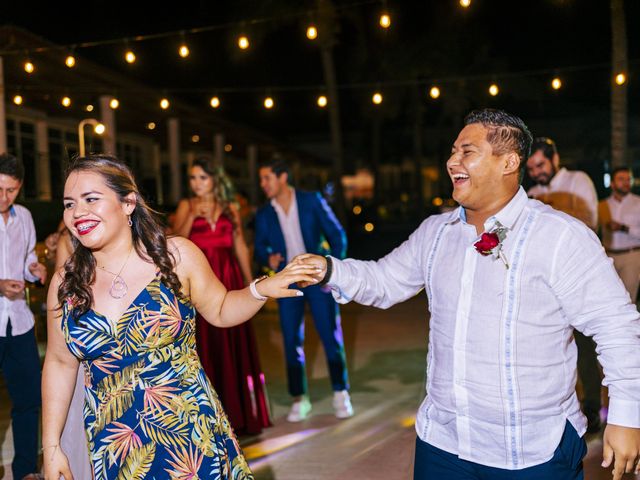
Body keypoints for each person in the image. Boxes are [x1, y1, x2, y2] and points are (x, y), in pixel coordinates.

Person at [295, 109, 640, 480]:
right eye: (452, 152)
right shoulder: (436, 232)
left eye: (466, 152)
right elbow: (385, 279)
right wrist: (329, 268)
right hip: (443, 443)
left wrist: (627, 416)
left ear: (509, 162)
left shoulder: (560, 237)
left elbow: (616, 327)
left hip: (531, 450)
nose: (451, 161)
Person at [42, 155, 320, 480]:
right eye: (69, 204)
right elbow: (59, 363)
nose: (77, 213)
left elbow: (220, 309)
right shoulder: (66, 282)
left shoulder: (175, 257)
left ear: (128, 202)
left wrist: (261, 288)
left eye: (91, 199)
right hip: (117, 445)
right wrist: (52, 447)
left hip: (189, 438)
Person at [172, 158, 270, 435]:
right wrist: (191, 217)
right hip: (199, 283)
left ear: (215, 179)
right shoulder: (185, 206)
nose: (197, 183)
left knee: (234, 345)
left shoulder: (230, 208)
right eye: (193, 178)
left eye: (202, 177)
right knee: (205, 348)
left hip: (230, 279)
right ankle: (209, 420)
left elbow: (239, 244)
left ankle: (238, 416)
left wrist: (252, 283)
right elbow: (175, 241)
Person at [255, 157, 352, 422]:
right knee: (290, 339)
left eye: (267, 178)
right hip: (287, 281)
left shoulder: (311, 201)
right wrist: (268, 258)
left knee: (330, 335)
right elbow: (260, 247)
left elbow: (337, 235)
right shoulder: (264, 213)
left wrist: (331, 269)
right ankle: (300, 398)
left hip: (317, 279)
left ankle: (340, 392)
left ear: (282, 177)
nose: (262, 184)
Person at [526, 137, 602, 433]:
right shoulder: (531, 192)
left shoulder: (578, 180)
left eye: (541, 164)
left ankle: (592, 408)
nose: (537, 172)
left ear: (555, 157)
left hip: (577, 278)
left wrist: (549, 207)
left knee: (583, 348)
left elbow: (590, 221)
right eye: (531, 168)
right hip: (543, 283)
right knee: (548, 346)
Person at [0, 153, 47, 480]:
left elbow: (28, 257)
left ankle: (26, 470)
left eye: (11, 190)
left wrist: (34, 270)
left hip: (19, 322)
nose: (4, 197)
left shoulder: (25, 217)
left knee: (30, 399)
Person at [599, 167, 640, 303]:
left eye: (628, 179)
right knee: (608, 299)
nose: (626, 182)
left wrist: (624, 228)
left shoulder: (638, 202)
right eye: (621, 179)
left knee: (627, 300)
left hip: (632, 256)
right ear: (612, 183)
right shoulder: (602, 205)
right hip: (608, 257)